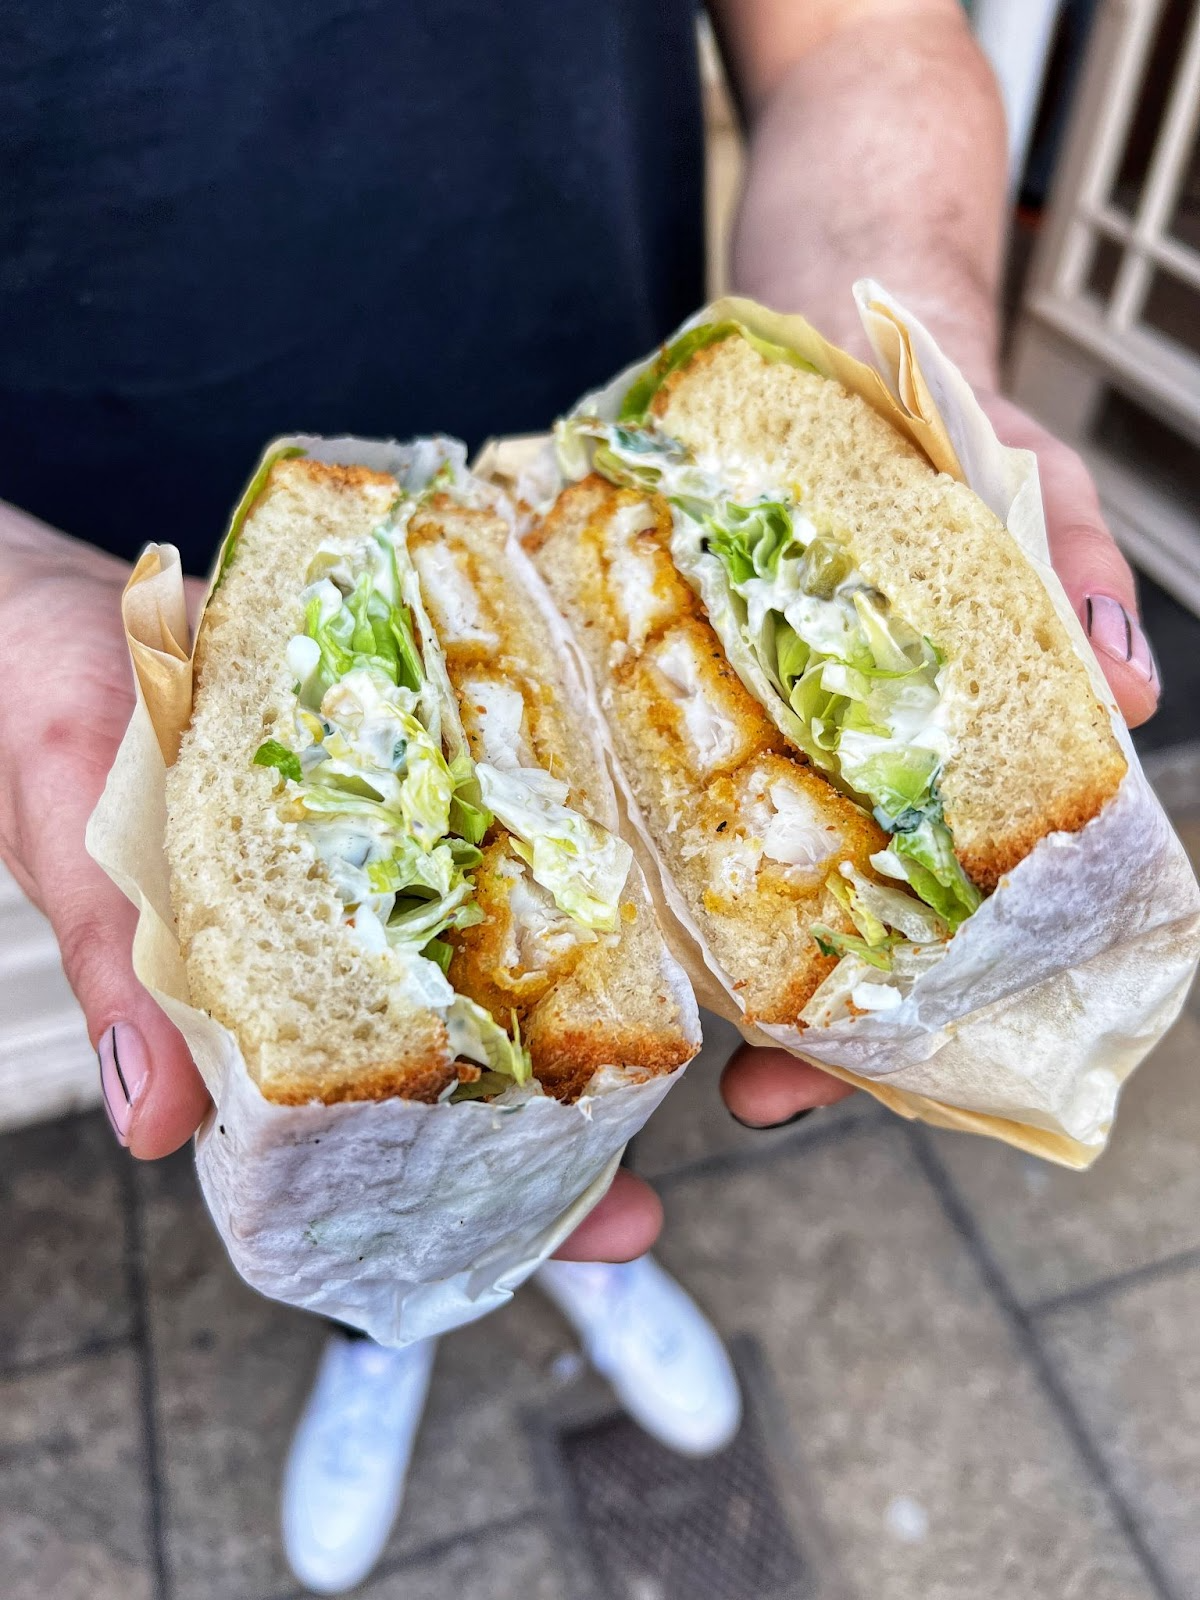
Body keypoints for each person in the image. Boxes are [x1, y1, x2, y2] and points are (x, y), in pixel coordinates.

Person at [1, 0, 1160, 1593]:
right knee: (350, 1116)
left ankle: (547, 1249)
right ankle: (386, 1322)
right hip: (124, 559)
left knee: (613, 1023)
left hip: (609, 429)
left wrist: (911, 335)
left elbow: (853, 43)